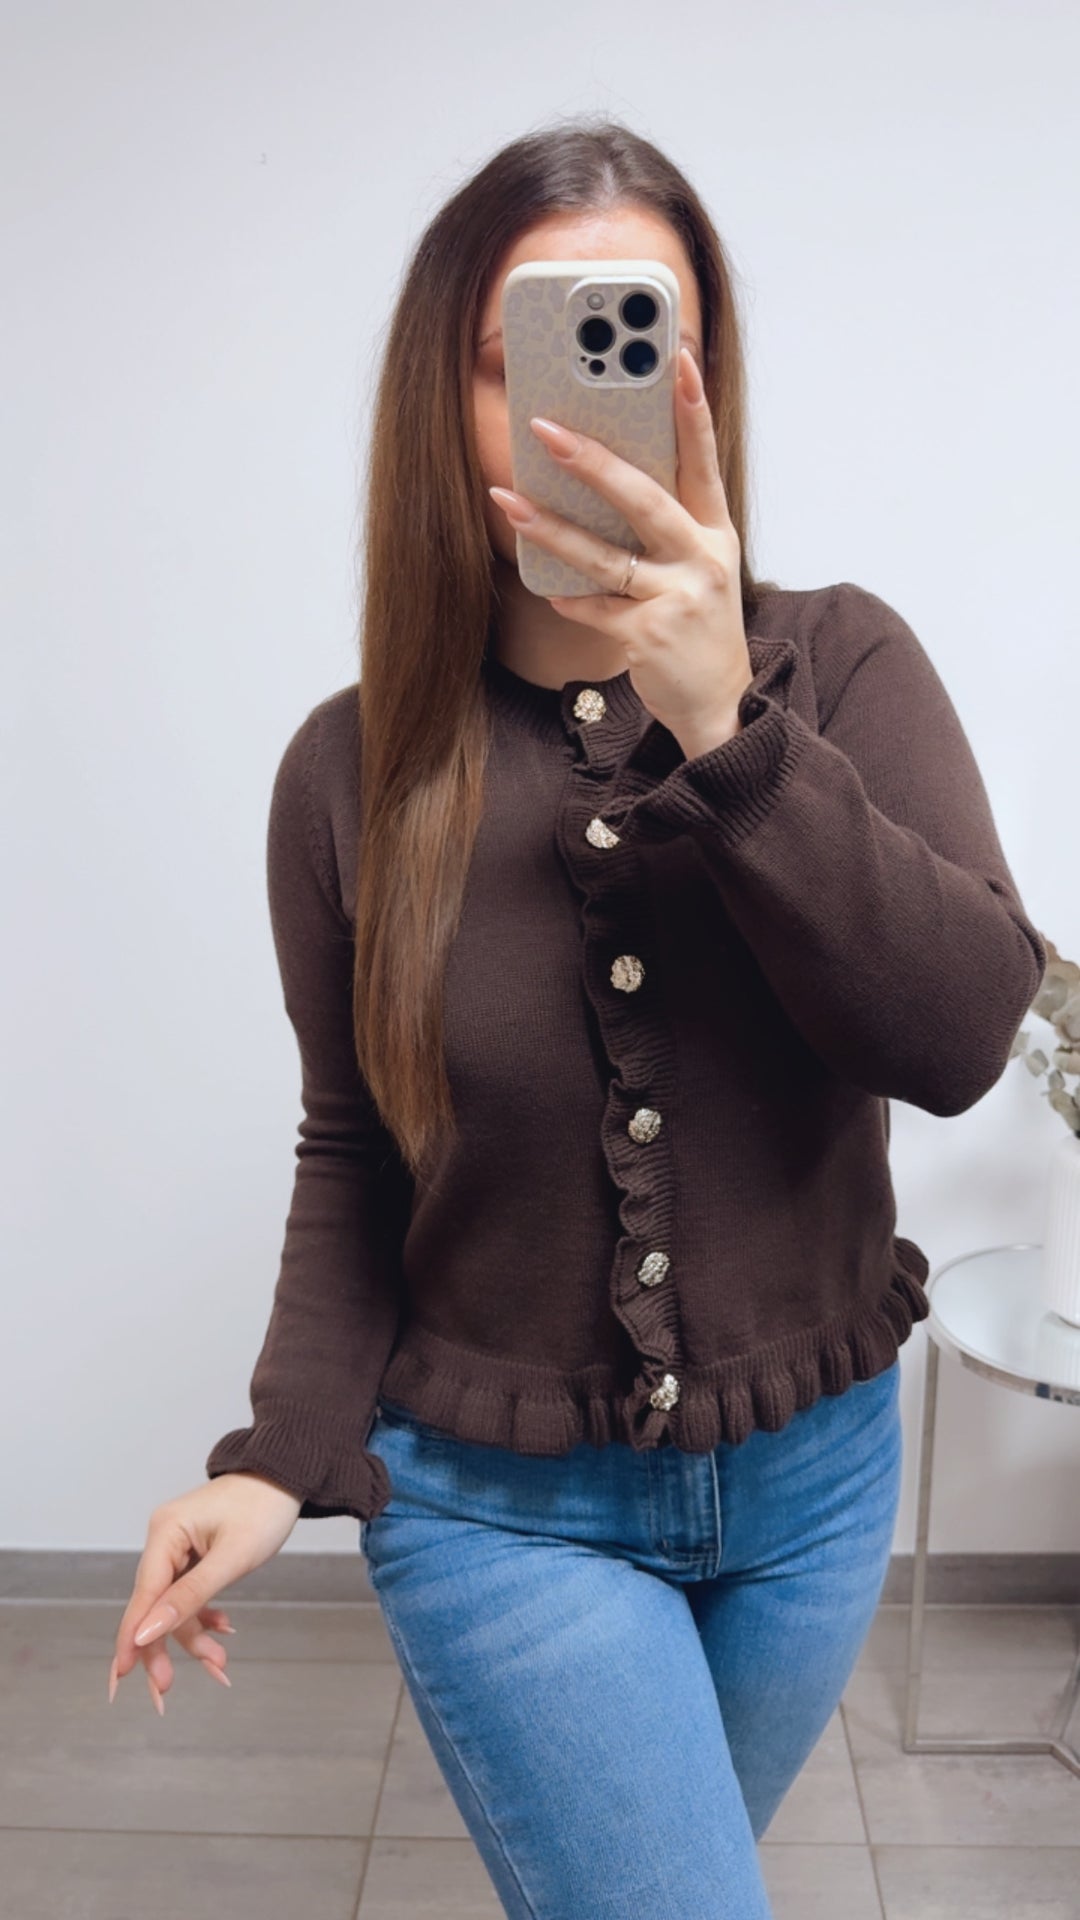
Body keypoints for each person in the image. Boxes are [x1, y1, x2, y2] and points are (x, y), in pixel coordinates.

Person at [109, 118, 1046, 1918]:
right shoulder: (350, 773)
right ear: (443, 401)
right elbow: (353, 1150)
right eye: (517, 354)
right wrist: (280, 1456)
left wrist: (730, 732)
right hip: (496, 1515)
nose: (581, 403)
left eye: (642, 334)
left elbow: (955, 1038)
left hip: (815, 1495)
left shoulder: (843, 668)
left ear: (706, 380)